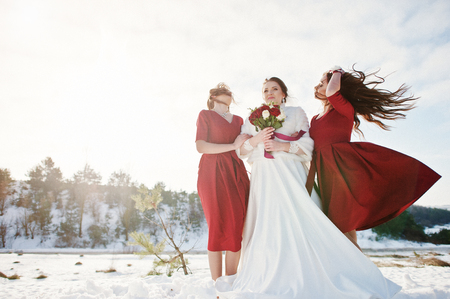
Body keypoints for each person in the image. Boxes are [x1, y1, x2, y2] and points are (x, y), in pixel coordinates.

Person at [216, 77, 401, 299]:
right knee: (269, 222)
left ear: (283, 93)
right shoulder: (252, 118)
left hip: (291, 174)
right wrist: (257, 140)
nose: (270, 93)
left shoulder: (296, 113)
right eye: (266, 90)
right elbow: (241, 150)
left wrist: (281, 145)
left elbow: (308, 146)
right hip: (264, 178)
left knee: (302, 220)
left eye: (274, 89)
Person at [307, 65, 441, 248]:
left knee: (342, 220)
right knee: (334, 221)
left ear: (335, 85)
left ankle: (357, 265)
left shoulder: (343, 107)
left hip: (344, 168)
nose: (318, 86)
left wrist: (337, 72)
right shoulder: (315, 118)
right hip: (323, 171)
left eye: (322, 82)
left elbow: (332, 92)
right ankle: (351, 265)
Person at [196, 83, 251, 281]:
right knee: (216, 227)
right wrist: (232, 145)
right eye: (220, 98)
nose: (225, 101)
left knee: (236, 226)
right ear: (213, 98)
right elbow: (201, 146)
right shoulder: (205, 115)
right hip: (211, 174)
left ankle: (231, 282)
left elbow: (244, 149)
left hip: (236, 172)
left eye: (228, 99)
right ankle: (217, 285)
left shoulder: (238, 120)